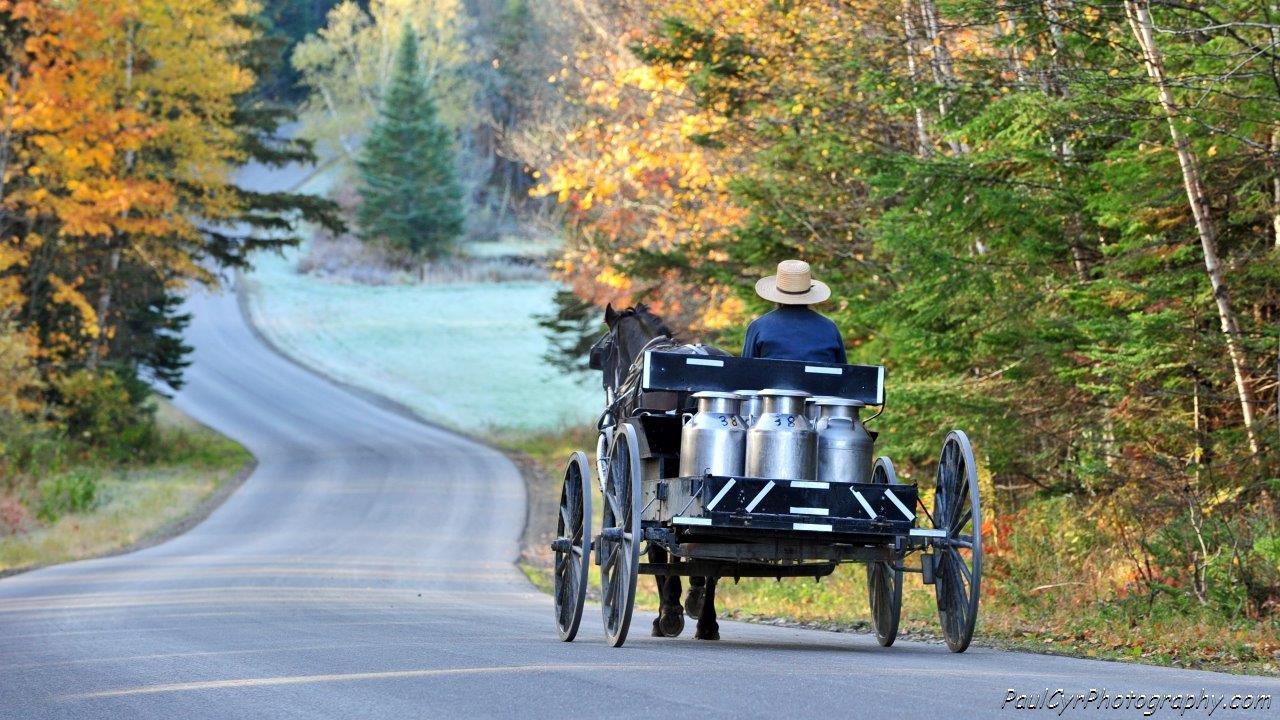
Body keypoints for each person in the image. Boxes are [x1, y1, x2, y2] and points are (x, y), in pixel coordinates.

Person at [743, 259, 846, 363]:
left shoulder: (759, 327)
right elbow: (844, 373)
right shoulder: (829, 328)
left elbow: (746, 370)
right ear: (809, 294)